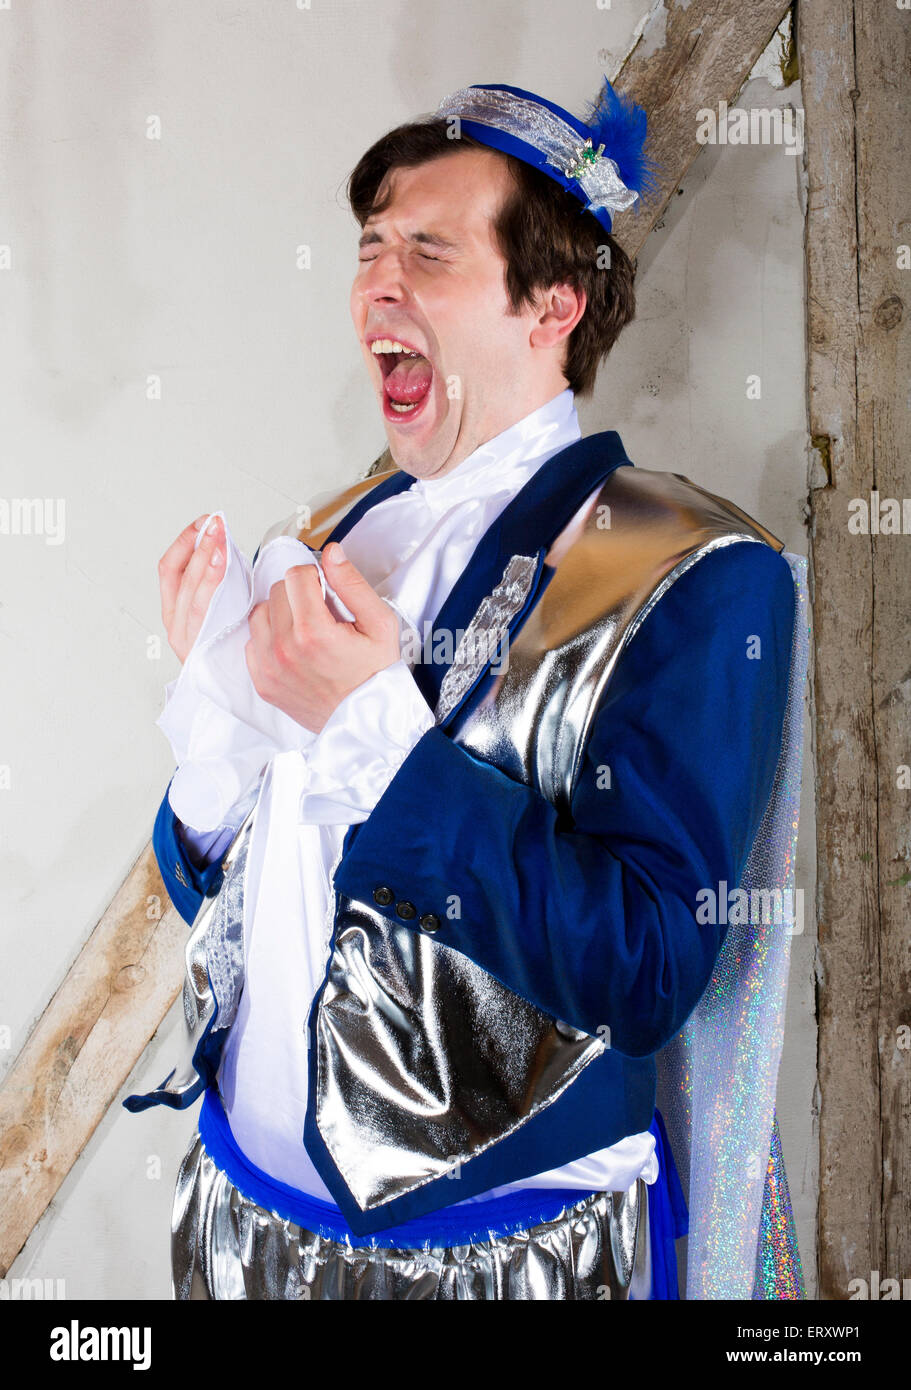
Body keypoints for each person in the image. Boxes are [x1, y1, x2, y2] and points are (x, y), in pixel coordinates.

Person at [125, 78, 806, 1301]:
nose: (375, 282)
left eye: (427, 250)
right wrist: (221, 735)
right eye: (368, 246)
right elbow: (229, 891)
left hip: (487, 1266)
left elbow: (646, 969)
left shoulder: (689, 568)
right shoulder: (332, 530)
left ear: (554, 301)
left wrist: (374, 737)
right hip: (236, 1225)